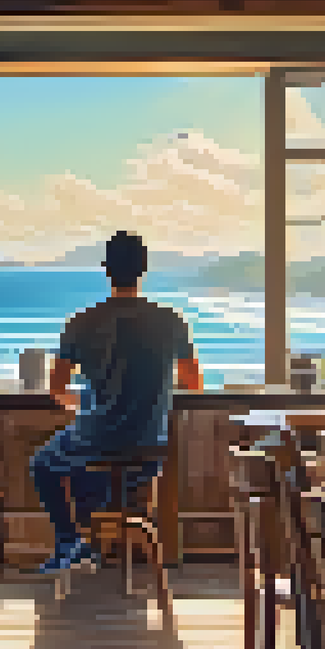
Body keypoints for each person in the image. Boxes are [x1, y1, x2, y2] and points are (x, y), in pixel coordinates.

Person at [30, 231, 202, 573]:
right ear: (144, 269)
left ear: (107, 271)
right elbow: (193, 383)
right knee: (102, 474)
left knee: (45, 464)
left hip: (94, 442)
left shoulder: (81, 322)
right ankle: (99, 537)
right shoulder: (171, 321)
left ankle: (70, 540)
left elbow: (57, 387)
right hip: (148, 447)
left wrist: (85, 407)